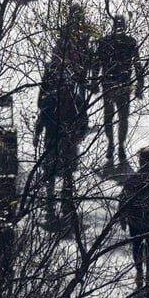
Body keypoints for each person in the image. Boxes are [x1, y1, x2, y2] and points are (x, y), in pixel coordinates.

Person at [35, 58, 89, 232]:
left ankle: (66, 198)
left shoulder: (76, 100)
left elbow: (84, 121)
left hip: (67, 141)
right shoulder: (53, 99)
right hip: (53, 139)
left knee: (67, 172)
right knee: (51, 171)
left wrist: (79, 135)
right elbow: (42, 118)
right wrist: (37, 134)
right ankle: (51, 199)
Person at [94, 15, 145, 168]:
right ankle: (112, 143)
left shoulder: (128, 42)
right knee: (110, 117)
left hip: (121, 84)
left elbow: (137, 64)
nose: (119, 27)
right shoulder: (105, 42)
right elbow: (97, 62)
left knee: (121, 118)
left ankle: (119, 145)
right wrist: (94, 80)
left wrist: (139, 85)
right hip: (112, 84)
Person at [117, 147, 149, 296]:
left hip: (135, 221)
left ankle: (139, 273)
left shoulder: (131, 180)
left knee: (136, 247)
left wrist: (122, 218)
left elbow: (123, 200)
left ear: (139, 160)